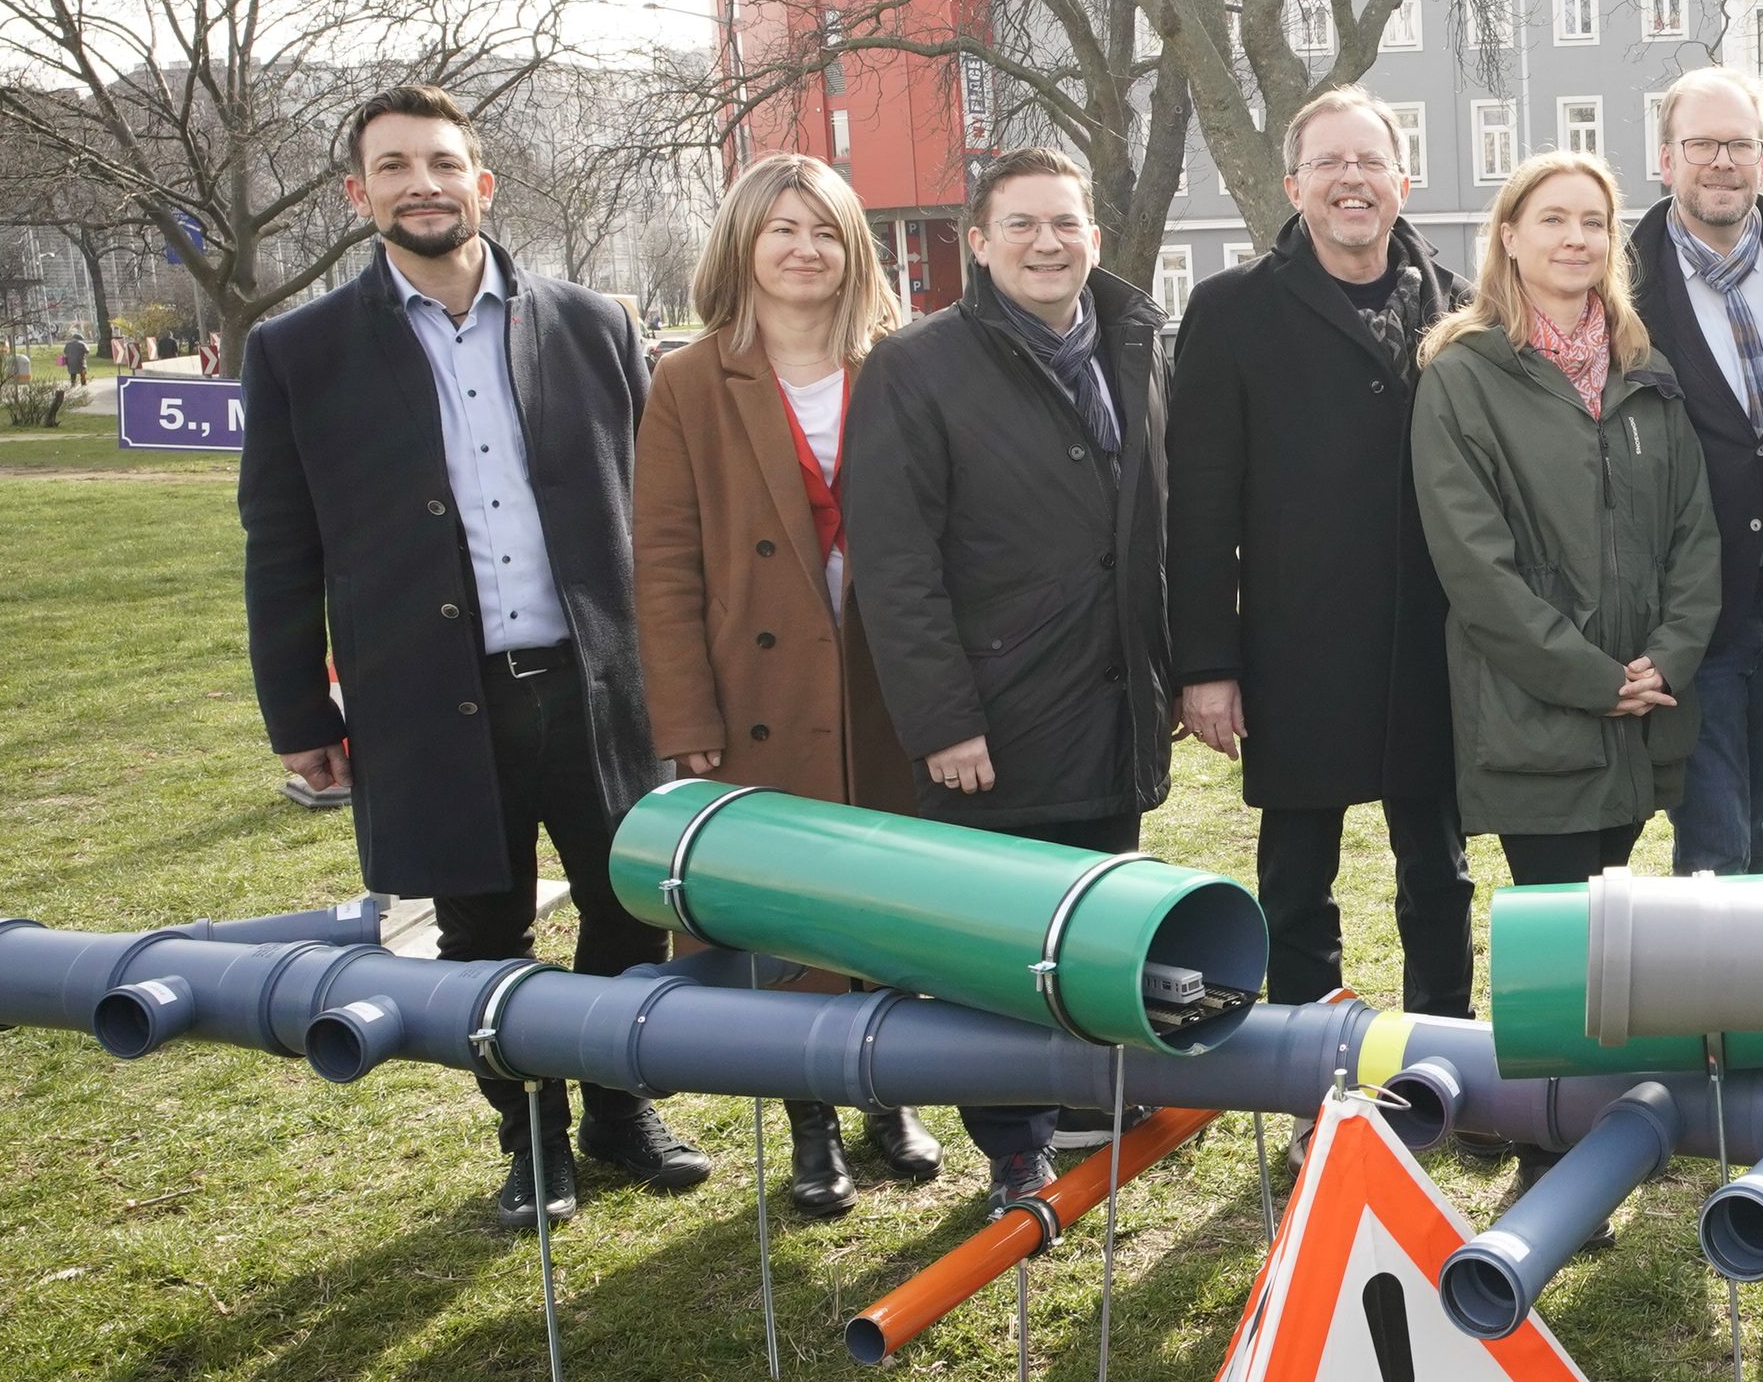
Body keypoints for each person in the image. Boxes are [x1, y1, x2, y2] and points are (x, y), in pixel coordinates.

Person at [240, 84, 708, 1231]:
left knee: (628, 907)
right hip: (429, 700)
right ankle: (529, 1136)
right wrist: (299, 717)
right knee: (481, 933)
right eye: (394, 167)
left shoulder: (592, 325)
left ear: (482, 184)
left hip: (600, 688)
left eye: (443, 163)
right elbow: (280, 549)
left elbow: (664, 518)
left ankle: (618, 1107)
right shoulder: (300, 352)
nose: (423, 185)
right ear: (358, 196)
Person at [840, 146, 1175, 1209]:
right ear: (978, 243)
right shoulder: (915, 366)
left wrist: (1169, 675)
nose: (1046, 243)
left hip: (1110, 701)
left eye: (1066, 223)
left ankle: (1090, 1093)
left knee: (1095, 917)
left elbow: (1156, 522)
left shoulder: (1132, 343)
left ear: (1095, 238)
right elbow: (894, 564)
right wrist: (942, 720)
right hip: (993, 717)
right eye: (1021, 224)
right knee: (996, 946)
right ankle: (1013, 1144)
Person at [631, 153, 944, 1218]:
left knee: (892, 893)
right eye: (782, 229)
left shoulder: (903, 364)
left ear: (854, 247)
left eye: (824, 230)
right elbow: (663, 562)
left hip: (883, 681)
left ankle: (891, 1092)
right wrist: (685, 714)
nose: (805, 249)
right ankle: (811, 1117)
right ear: (744, 245)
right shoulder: (689, 380)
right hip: (755, 688)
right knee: (788, 906)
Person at [1167, 88, 1480, 1022]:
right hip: (1296, 644)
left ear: (1402, 182)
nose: (1353, 179)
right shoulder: (1231, 310)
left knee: (1441, 873)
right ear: (1294, 185)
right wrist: (1206, 664)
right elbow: (1198, 504)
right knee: (1298, 878)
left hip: (1430, 645)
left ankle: (1439, 1048)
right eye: (1330, 163)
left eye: (1370, 161)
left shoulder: (1462, 306)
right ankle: (1307, 1054)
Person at [1411, 150, 1720, 892]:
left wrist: (1667, 658)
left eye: (1594, 222)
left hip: (1644, 710)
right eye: (1552, 219)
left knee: (1610, 926)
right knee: (1561, 933)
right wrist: (1594, 680)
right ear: (1509, 237)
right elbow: (1477, 571)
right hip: (1536, 722)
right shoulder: (1462, 377)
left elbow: (1694, 534)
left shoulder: (1645, 370)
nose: (1576, 238)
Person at [1622, 67, 1763, 876]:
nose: (1721, 161)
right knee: (1716, 841)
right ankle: (1716, 959)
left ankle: (1756, 952)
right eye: (1701, 144)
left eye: (1739, 144)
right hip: (1687, 607)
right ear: (1665, 158)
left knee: (1759, 818)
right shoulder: (1616, 279)